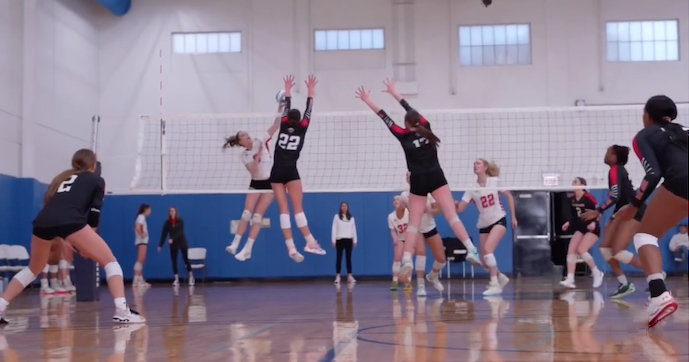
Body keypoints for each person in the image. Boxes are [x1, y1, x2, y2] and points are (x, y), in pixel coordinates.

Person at [0, 149, 145, 324]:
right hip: (70, 221)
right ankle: (123, 311)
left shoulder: (62, 179)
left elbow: (54, 209)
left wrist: (70, 241)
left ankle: (1, 305)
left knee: (33, 270)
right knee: (110, 262)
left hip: (42, 221)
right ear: (93, 166)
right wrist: (87, 242)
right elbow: (94, 214)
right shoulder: (97, 180)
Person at [356, 78, 479, 281]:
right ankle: (471, 249)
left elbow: (383, 116)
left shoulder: (402, 134)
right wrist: (396, 94)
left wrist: (368, 99)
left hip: (418, 181)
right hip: (436, 176)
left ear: (406, 124)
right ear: (419, 121)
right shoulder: (427, 127)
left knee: (413, 224)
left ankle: (406, 261)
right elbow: (410, 109)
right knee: (452, 217)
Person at [614, 95, 688, 328]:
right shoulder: (684, 130)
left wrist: (634, 205)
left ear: (647, 115)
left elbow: (653, 174)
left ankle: (659, 295)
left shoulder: (644, 135)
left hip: (681, 182)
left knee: (645, 236)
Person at [270, 75, 326, 262]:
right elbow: (309, 110)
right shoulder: (303, 127)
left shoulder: (284, 124)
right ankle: (310, 242)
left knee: (283, 210)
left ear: (288, 118)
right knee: (298, 209)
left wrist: (288, 90)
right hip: (291, 172)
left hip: (276, 172)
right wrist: (310, 91)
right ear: (300, 119)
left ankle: (291, 247)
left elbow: (286, 106)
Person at [580, 145, 643, 299]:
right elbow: (616, 198)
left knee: (617, 251)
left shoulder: (615, 169)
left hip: (633, 209)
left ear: (614, 156)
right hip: (621, 210)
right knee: (605, 249)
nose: (605, 154)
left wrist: (598, 210)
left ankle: (655, 274)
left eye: (608, 151)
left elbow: (614, 195)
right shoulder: (615, 170)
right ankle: (624, 283)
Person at [224, 101, 284, 260]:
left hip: (270, 183)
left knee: (257, 217)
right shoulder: (244, 156)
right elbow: (253, 171)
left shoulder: (260, 140)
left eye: (246, 133)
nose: (246, 135)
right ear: (240, 142)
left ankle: (247, 248)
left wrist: (280, 107)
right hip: (256, 183)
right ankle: (235, 244)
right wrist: (257, 160)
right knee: (246, 214)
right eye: (242, 135)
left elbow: (275, 125)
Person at [455, 159, 515, 295]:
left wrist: (514, 217)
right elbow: (461, 208)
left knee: (488, 250)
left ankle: (494, 284)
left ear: (485, 167)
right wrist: (455, 206)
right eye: (474, 163)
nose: (475, 165)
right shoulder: (471, 188)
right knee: (484, 260)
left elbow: (509, 197)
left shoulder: (495, 181)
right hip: (483, 224)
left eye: (478, 163)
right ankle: (500, 277)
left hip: (499, 219)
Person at [400, 172, 447, 295]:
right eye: (408, 177)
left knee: (441, 259)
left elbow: (438, 210)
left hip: (430, 227)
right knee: (421, 253)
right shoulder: (405, 196)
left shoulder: (428, 193)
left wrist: (429, 210)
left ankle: (433, 276)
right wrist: (400, 208)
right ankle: (421, 285)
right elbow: (400, 215)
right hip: (416, 229)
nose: (410, 179)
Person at [560, 177, 604, 289]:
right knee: (571, 250)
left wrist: (593, 222)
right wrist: (568, 223)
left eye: (575, 182)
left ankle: (596, 272)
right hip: (581, 228)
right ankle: (570, 279)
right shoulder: (573, 199)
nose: (573, 184)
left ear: (582, 185)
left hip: (592, 229)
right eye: (573, 182)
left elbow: (599, 213)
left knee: (581, 249)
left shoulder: (589, 198)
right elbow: (575, 216)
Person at [158, 207, 194, 287]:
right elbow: (164, 234)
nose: (172, 212)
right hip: (173, 244)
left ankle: (191, 277)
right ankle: (176, 279)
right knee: (174, 261)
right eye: (170, 211)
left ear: (176, 212)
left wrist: (172, 239)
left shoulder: (180, 221)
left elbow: (180, 232)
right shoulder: (167, 222)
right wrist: (161, 245)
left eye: (173, 210)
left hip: (181, 242)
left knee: (186, 259)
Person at [331, 202, 357, 285]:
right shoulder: (337, 217)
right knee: (339, 258)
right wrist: (333, 240)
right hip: (339, 239)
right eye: (342, 206)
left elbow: (354, 229)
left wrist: (355, 240)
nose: (344, 207)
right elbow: (334, 228)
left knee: (348, 258)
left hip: (349, 240)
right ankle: (338, 276)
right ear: (340, 207)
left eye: (345, 206)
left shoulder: (351, 218)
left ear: (348, 207)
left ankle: (349, 276)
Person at [388, 195, 409, 291]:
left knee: (407, 260)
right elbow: (392, 230)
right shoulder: (391, 217)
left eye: (398, 199)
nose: (396, 201)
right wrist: (395, 239)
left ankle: (408, 281)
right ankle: (395, 280)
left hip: (409, 238)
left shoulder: (408, 212)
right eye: (394, 200)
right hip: (400, 238)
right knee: (397, 259)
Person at [133, 204, 152, 287]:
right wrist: (142, 234)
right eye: (149, 210)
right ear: (145, 209)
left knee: (142, 260)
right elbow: (137, 227)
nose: (150, 212)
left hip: (142, 241)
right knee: (140, 260)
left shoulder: (141, 217)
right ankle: (136, 280)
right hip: (142, 241)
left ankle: (140, 279)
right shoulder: (141, 217)